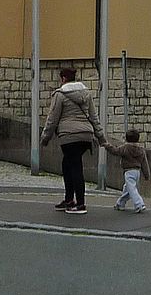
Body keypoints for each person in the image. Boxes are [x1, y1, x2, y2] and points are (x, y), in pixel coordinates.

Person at [40, 68, 104, 214]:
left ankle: (80, 203)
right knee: (68, 164)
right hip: (86, 135)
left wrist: (45, 138)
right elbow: (94, 117)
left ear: (63, 78)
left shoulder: (60, 95)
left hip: (69, 136)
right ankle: (69, 199)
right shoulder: (86, 94)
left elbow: (52, 119)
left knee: (74, 167)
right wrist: (101, 137)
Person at [105, 129, 151, 213]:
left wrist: (107, 146)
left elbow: (115, 151)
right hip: (137, 172)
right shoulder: (141, 150)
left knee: (132, 189)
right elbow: (144, 163)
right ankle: (120, 203)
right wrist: (147, 175)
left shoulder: (125, 148)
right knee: (128, 189)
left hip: (128, 171)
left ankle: (139, 204)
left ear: (126, 138)